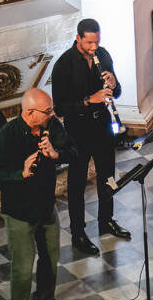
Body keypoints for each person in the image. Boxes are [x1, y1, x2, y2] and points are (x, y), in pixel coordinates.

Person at [0, 89, 76, 300]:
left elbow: (74, 151)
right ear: (30, 113)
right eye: (47, 111)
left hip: (45, 204)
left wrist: (56, 154)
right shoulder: (7, 135)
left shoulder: (52, 125)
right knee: (23, 265)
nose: (52, 114)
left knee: (51, 256)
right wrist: (22, 173)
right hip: (19, 210)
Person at [52, 18, 130, 256]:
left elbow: (116, 92)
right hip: (77, 127)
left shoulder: (103, 55)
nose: (94, 47)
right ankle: (78, 233)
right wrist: (88, 100)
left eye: (97, 41)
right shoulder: (64, 64)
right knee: (77, 182)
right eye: (89, 43)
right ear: (78, 39)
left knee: (107, 175)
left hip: (102, 123)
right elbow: (60, 108)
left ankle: (106, 220)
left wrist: (114, 84)